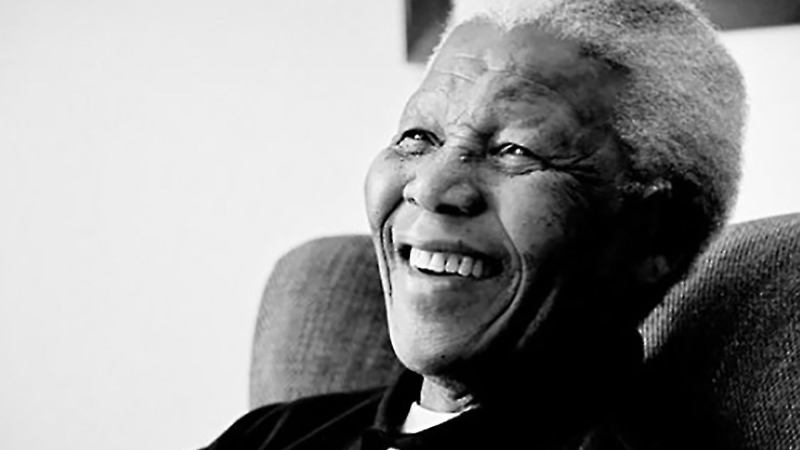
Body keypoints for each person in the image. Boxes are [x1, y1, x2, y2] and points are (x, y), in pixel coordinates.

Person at [204, 0, 745, 448]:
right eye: (419, 137)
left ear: (657, 236)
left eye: (516, 149)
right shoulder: (273, 434)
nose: (431, 188)